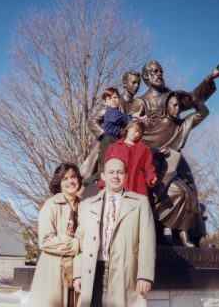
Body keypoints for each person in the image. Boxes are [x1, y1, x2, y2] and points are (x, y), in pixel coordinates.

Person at [73, 158, 156, 307]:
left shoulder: (140, 203)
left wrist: (145, 276)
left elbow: (147, 242)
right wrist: (78, 274)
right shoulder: (87, 205)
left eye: (120, 172)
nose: (115, 176)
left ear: (126, 176)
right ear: (103, 176)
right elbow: (80, 243)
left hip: (125, 273)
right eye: (111, 172)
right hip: (93, 273)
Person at [146, 92, 209, 247]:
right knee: (178, 192)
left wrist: (193, 98)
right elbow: (140, 140)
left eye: (180, 106)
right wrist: (158, 152)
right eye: (174, 105)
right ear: (165, 106)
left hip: (174, 167)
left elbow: (203, 113)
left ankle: (184, 233)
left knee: (188, 193)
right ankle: (169, 230)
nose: (177, 109)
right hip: (155, 168)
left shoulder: (182, 125)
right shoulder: (154, 123)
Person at [28, 163, 83, 307]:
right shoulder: (51, 205)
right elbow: (45, 240)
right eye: (65, 178)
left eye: (74, 177)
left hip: (78, 269)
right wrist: (76, 244)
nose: (71, 181)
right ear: (59, 182)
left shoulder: (85, 206)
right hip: (53, 271)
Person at [84, 87, 144, 186]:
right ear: (105, 102)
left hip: (116, 140)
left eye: (115, 97)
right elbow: (93, 122)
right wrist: (103, 135)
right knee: (103, 165)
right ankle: (87, 182)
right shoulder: (110, 111)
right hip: (108, 140)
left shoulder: (118, 110)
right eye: (110, 98)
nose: (113, 99)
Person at [99, 121, 157, 196]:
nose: (137, 135)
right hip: (116, 184)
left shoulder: (144, 149)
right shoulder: (113, 147)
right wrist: (103, 183)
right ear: (128, 128)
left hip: (137, 185)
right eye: (135, 131)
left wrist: (152, 177)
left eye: (140, 133)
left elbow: (148, 166)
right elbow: (106, 166)